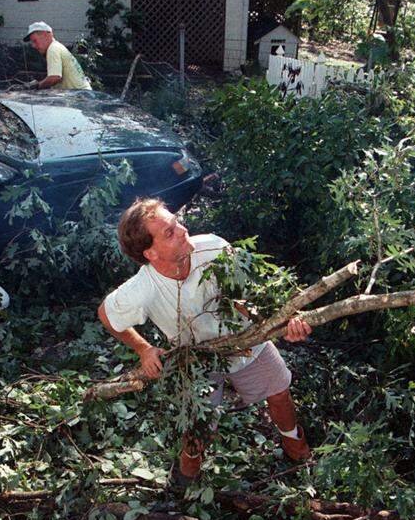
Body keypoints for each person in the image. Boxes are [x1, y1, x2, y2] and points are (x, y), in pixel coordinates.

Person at [97, 198, 312, 487]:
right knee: (198, 424)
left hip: (245, 342)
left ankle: (295, 447)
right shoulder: (142, 288)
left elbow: (247, 297)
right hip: (194, 360)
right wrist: (144, 349)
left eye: (177, 223)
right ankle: (188, 476)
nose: (184, 231)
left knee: (279, 392)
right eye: (170, 233)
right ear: (151, 253)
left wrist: (283, 321)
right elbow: (106, 315)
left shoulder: (212, 247)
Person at [22, 21, 92, 91]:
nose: (33, 46)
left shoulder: (52, 49)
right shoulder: (57, 46)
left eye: (35, 41)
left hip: (80, 97)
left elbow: (55, 78)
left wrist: (36, 86)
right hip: (84, 94)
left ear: (46, 35)